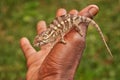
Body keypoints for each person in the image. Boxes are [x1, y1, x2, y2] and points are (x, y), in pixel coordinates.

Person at [20, 5, 99, 80]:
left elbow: (59, 31)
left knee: (70, 25)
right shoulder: (50, 36)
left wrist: (62, 39)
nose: (38, 45)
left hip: (72, 20)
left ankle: (78, 28)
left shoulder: (50, 35)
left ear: (43, 40)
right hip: (65, 22)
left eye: (39, 43)